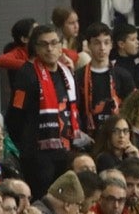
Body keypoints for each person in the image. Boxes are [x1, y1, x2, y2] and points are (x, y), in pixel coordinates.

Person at [5, 25, 82, 198]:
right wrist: (27, 145)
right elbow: (14, 116)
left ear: (61, 46)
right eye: (44, 44)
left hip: (66, 150)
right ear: (35, 48)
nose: (50, 48)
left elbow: (75, 109)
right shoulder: (27, 74)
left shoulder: (67, 73)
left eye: (54, 43)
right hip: (38, 156)